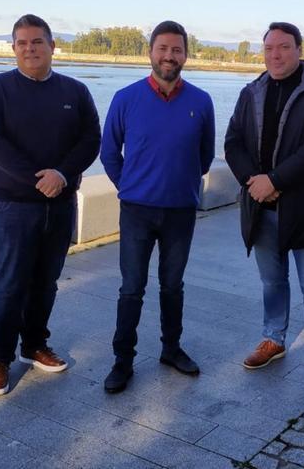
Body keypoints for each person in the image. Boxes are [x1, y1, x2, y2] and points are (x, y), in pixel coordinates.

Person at [0, 14, 101, 396]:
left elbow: (90, 139)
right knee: (9, 285)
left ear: (52, 46)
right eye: (23, 43)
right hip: (10, 207)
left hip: (59, 206)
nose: (30, 49)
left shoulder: (75, 91)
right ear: (14, 48)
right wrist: (39, 178)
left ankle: (34, 345)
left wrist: (61, 174)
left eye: (38, 42)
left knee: (45, 282)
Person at [224, 22, 304, 403]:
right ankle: (273, 340)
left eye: (283, 47)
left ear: (299, 50)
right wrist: (252, 181)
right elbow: (232, 142)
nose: (275, 55)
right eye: (268, 48)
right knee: (272, 283)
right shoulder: (252, 91)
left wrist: (274, 179)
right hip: (262, 209)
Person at [100, 20, 215, 393]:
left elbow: (206, 155)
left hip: (180, 211)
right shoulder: (125, 98)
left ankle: (171, 349)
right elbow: (108, 152)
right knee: (131, 287)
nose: (169, 56)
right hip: (136, 210)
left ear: (185, 54)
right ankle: (123, 361)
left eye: (177, 49)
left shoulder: (201, 101)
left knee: (172, 285)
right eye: (163, 48)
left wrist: (180, 185)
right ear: (150, 52)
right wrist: (130, 187)